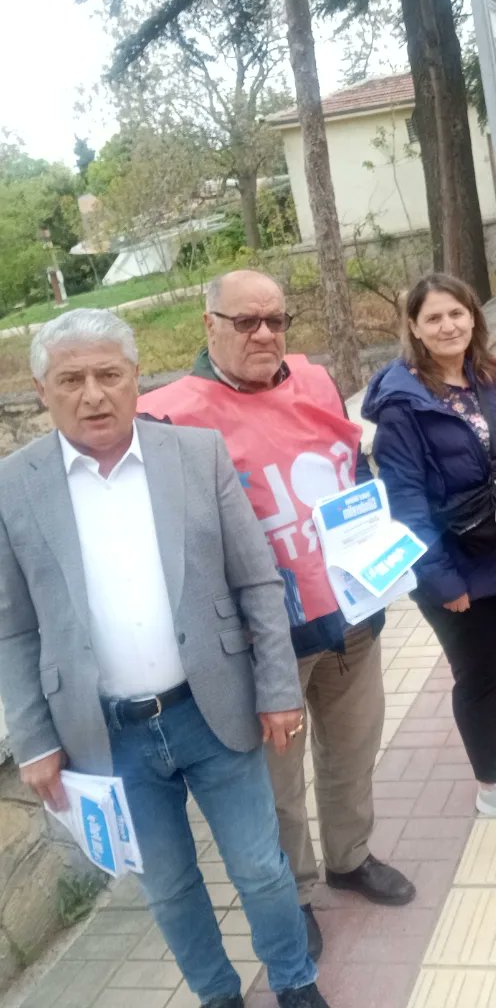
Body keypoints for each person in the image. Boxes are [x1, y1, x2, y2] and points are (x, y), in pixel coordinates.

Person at [0, 310, 329, 1008]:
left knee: (261, 868)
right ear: (41, 390)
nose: (93, 394)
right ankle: (218, 997)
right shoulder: (13, 486)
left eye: (109, 375)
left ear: (135, 376)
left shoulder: (196, 455)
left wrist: (277, 688)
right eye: (71, 380)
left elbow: (257, 581)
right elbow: (14, 629)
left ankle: (295, 982)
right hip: (106, 736)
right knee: (169, 886)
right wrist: (33, 739)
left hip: (212, 708)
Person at [138, 271, 414, 962]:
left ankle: (350, 857)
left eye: (276, 319)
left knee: (352, 754)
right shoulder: (168, 415)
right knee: (278, 786)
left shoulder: (316, 383)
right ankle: (295, 891)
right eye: (245, 322)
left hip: (351, 614)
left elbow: (352, 475)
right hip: (267, 646)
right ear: (209, 326)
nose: (264, 333)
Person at [363, 273, 496, 829]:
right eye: (434, 318)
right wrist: (440, 581)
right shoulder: (405, 405)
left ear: (473, 317)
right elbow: (404, 502)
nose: (448, 325)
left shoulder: (486, 381)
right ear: (414, 328)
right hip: (454, 568)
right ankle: (491, 782)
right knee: (476, 674)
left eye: (457, 313)